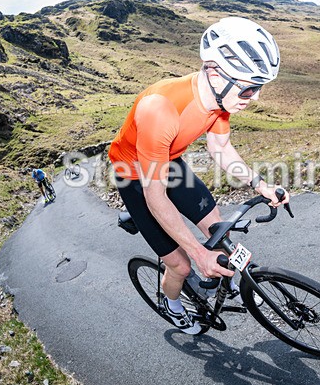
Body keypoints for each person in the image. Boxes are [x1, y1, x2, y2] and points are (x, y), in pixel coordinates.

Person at [108, 17, 289, 335]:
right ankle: (171, 304)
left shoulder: (220, 101)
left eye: (258, 87)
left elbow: (220, 147)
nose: (256, 96)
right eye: (250, 87)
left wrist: (260, 184)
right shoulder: (160, 109)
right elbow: (155, 196)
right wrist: (198, 253)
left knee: (215, 224)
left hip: (170, 161)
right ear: (217, 73)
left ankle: (226, 278)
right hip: (135, 175)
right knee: (181, 264)